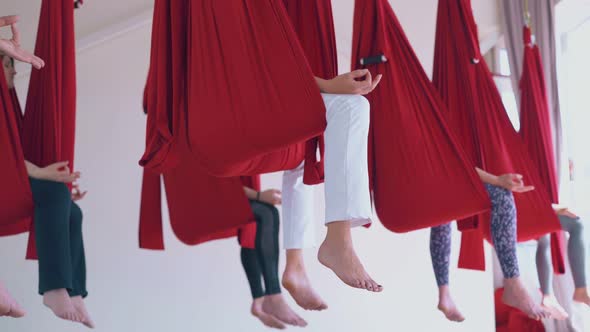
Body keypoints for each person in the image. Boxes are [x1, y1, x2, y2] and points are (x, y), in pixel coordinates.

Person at [430, 170, 550, 321]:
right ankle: (513, 282)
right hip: (435, 176)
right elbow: (457, 163)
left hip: (430, 179)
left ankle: (444, 294)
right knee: (501, 196)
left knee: (440, 210)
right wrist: (497, 180)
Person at [240, 186, 306, 329]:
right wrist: (258, 195)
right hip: (213, 196)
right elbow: (220, 181)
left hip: (230, 191)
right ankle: (273, 295)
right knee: (268, 213)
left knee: (251, 230)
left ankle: (258, 300)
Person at [535, 205, 589, 320]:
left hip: (529, 207)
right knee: (576, 225)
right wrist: (552, 209)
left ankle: (547, 295)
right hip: (526, 209)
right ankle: (581, 289)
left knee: (544, 239)